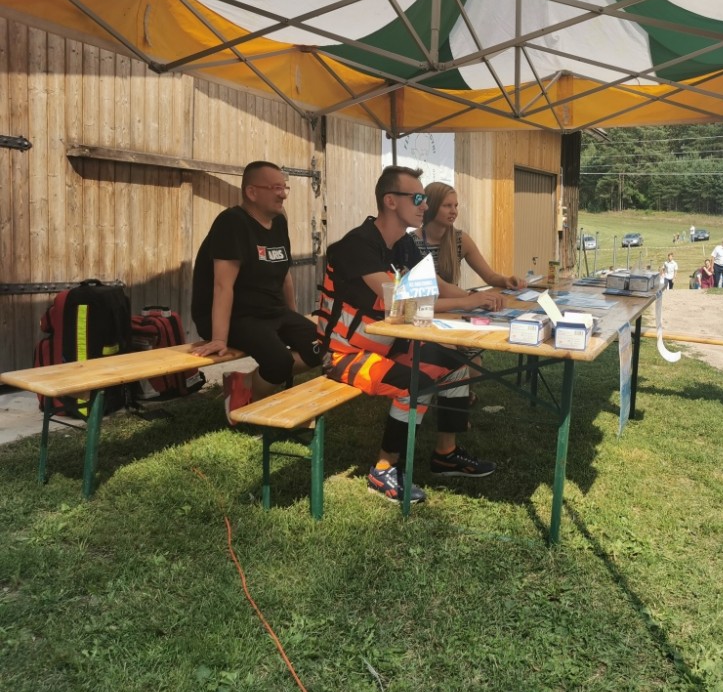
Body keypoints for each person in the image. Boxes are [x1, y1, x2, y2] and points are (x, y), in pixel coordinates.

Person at [318, 165, 505, 504]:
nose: (425, 205)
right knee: (414, 383)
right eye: (417, 198)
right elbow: (405, 304)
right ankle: (383, 468)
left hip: (388, 346)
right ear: (390, 201)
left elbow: (434, 286)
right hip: (344, 355)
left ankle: (445, 454)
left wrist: (476, 298)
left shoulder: (404, 243)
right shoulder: (356, 245)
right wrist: (469, 301)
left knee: (455, 365)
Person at [191, 161, 323, 423]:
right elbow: (222, 285)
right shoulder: (231, 223)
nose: (283, 194)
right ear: (251, 192)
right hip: (236, 316)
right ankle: (249, 408)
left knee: (322, 346)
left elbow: (284, 273)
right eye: (276, 188)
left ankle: (244, 383)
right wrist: (219, 338)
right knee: (278, 362)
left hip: (270, 311)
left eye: (284, 187)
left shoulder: (279, 222)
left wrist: (293, 319)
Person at [408, 182, 524, 289]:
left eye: (456, 206)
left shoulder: (460, 239)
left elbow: (489, 276)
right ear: (430, 206)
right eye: (447, 205)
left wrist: (506, 280)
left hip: (455, 303)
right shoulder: (410, 241)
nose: (454, 211)